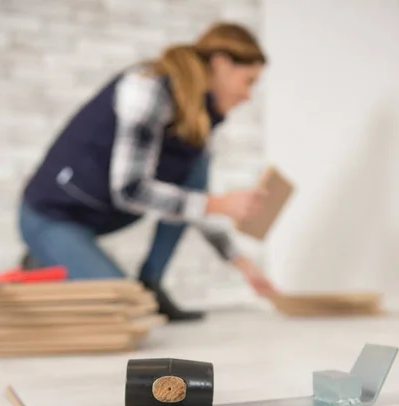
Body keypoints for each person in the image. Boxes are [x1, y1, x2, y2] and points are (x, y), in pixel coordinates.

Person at [19, 22, 276, 321]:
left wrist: (241, 262)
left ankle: (151, 283)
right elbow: (130, 190)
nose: (248, 95)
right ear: (220, 63)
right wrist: (220, 204)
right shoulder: (147, 89)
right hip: (50, 216)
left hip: (102, 215)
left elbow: (194, 200)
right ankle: (40, 265)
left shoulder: (197, 119)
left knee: (197, 166)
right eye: (249, 81)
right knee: (125, 310)